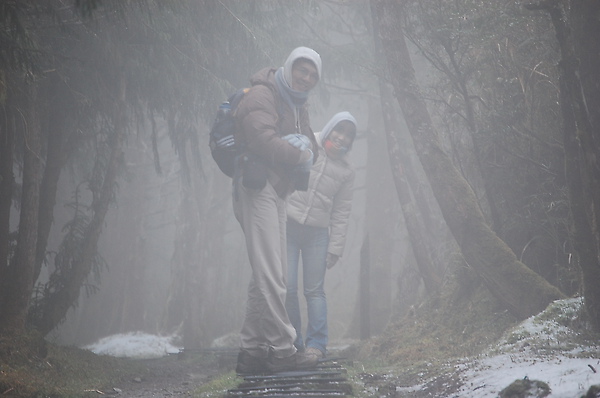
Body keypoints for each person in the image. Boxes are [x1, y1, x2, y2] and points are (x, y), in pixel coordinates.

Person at [232, 47, 323, 374]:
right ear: (289, 67)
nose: (306, 78)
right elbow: (261, 139)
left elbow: (312, 142)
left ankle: (252, 351)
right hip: (257, 189)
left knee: (267, 273)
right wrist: (299, 155)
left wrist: (306, 148)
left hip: (277, 190)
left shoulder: (298, 104)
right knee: (273, 273)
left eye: (313, 75)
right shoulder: (262, 94)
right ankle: (284, 349)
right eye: (303, 70)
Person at [285, 111, 357, 359]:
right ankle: (293, 343)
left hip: (317, 234)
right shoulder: (307, 142)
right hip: (288, 225)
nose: (342, 138)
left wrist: (335, 248)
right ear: (330, 127)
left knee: (314, 291)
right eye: (339, 130)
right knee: (287, 286)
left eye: (349, 136)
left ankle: (317, 346)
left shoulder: (347, 170)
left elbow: (341, 213)